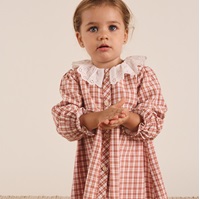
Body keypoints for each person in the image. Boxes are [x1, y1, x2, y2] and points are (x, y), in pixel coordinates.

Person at [51, 0, 168, 198]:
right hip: (93, 167)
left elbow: (155, 120)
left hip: (132, 168)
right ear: (80, 38)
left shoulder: (141, 74)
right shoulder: (75, 78)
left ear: (124, 35)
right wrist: (97, 117)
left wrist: (127, 117)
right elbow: (65, 122)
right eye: (93, 28)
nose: (103, 35)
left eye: (112, 27)